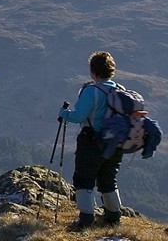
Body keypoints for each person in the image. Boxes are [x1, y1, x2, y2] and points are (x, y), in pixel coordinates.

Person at [59, 51, 125, 231]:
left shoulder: (91, 91)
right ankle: (113, 217)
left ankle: (86, 220)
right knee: (108, 179)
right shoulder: (120, 90)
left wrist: (64, 114)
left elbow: (79, 116)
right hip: (116, 144)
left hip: (92, 142)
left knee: (84, 179)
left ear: (93, 71)